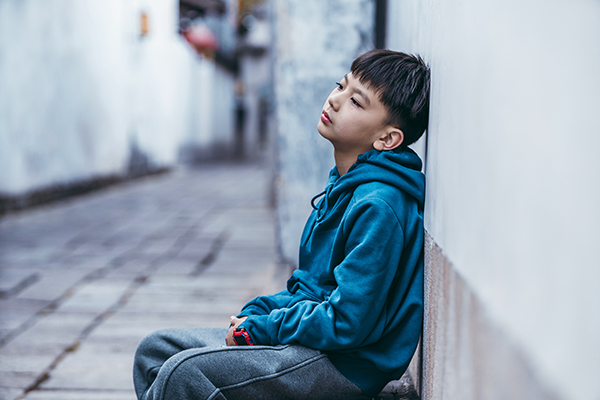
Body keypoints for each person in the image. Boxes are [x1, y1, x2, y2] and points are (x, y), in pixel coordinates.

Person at [133, 49, 430, 400]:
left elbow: (348, 322)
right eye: (340, 86)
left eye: (356, 102)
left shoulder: (378, 205)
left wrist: (261, 330)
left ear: (387, 139)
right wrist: (257, 313)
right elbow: (310, 288)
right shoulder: (345, 186)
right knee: (155, 351)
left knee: (183, 373)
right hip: (318, 347)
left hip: (343, 364)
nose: (334, 101)